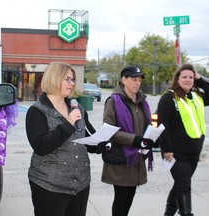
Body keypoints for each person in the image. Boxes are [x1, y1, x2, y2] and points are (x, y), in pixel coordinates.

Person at [25, 62, 110, 216]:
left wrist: (101, 145)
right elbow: (41, 146)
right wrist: (69, 123)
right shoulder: (37, 111)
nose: (72, 84)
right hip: (48, 186)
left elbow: (85, 139)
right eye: (68, 79)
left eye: (72, 80)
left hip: (80, 184)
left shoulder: (77, 108)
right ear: (54, 78)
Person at [157, 63, 209, 216]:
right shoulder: (168, 98)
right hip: (176, 154)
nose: (188, 80)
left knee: (180, 184)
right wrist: (167, 150)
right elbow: (161, 124)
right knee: (184, 186)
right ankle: (186, 213)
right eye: (184, 77)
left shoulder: (196, 96)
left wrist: (201, 80)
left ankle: (168, 213)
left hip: (193, 153)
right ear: (177, 78)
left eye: (191, 77)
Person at [101, 65, 159, 216]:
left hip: (137, 158)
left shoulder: (142, 101)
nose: (137, 82)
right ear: (123, 80)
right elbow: (110, 131)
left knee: (129, 197)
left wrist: (154, 137)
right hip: (121, 158)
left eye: (139, 79)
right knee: (121, 198)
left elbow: (147, 126)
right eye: (134, 79)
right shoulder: (113, 101)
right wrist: (136, 140)